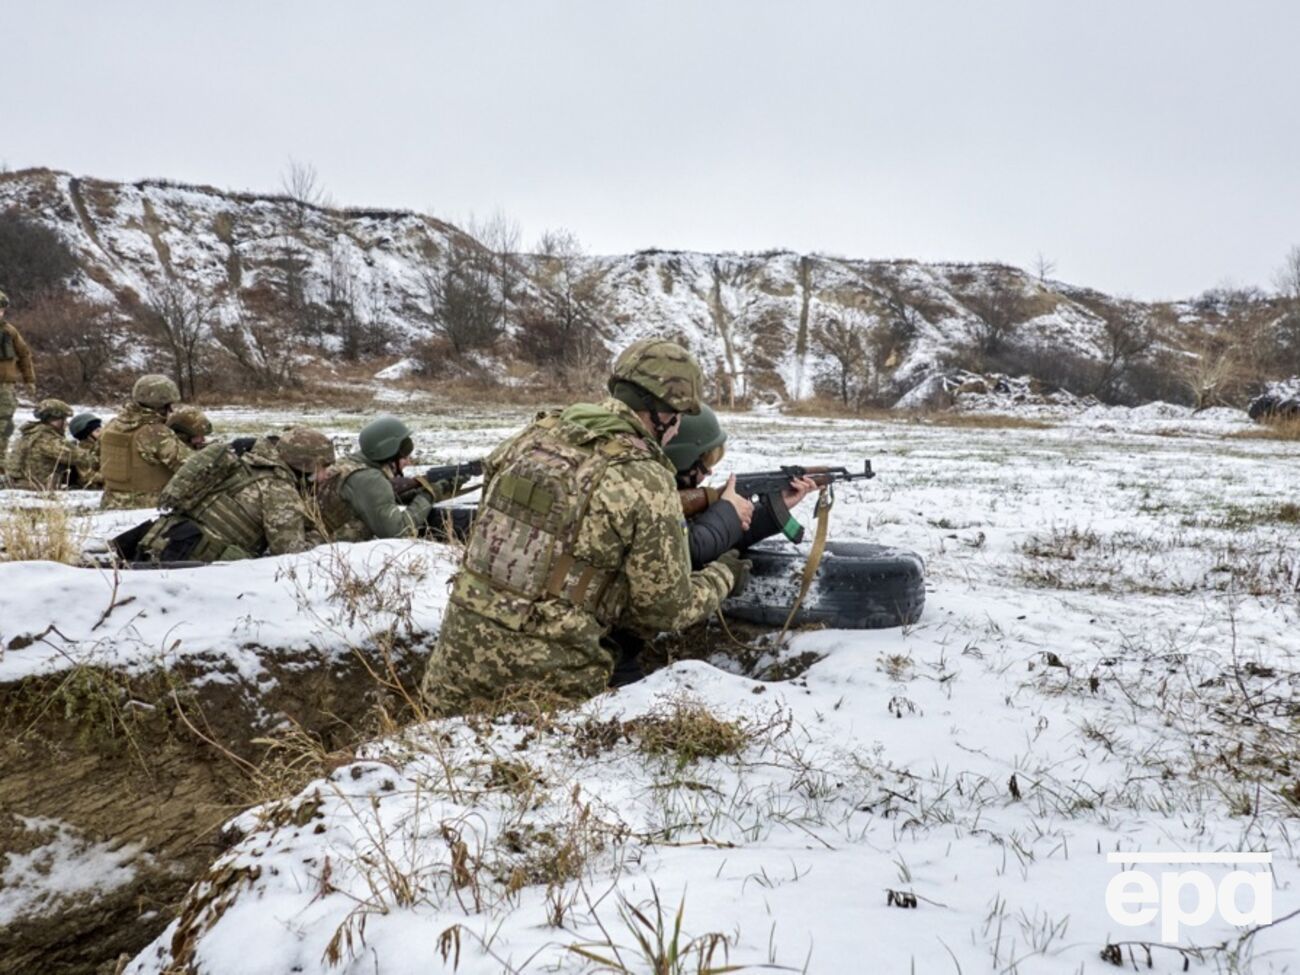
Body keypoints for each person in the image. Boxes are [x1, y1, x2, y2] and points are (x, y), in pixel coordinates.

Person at [420, 338, 748, 714]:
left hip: (451, 677)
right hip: (545, 698)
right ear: (666, 413)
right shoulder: (645, 477)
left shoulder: (534, 435)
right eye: (678, 418)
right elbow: (666, 611)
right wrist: (724, 576)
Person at [137, 427, 335, 562]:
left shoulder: (244, 461)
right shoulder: (279, 488)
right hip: (192, 563)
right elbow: (290, 553)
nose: (326, 475)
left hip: (162, 542)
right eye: (323, 467)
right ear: (305, 464)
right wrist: (323, 536)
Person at [665, 404, 818, 569]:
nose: (710, 471)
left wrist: (773, 509)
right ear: (683, 460)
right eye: (706, 464)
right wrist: (728, 509)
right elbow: (692, 549)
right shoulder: (658, 503)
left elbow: (722, 537)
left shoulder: (670, 496)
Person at [312, 415, 452, 540]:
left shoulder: (351, 463)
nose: (409, 461)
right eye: (404, 453)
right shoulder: (369, 479)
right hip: (323, 547)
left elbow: (382, 497)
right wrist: (429, 494)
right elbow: (398, 531)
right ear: (388, 452)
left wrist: (423, 489)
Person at [99, 374, 193, 509]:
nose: (171, 410)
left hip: (110, 503)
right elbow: (190, 468)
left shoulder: (112, 425)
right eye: (169, 405)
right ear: (162, 406)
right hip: (147, 506)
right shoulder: (154, 432)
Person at [3, 398, 96, 490]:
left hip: (19, 484)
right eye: (64, 419)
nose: (66, 424)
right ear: (57, 420)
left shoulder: (30, 434)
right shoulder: (48, 440)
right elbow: (84, 458)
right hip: (34, 487)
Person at [0, 289, 37, 477]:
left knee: (3, 425)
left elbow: (24, 355)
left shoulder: (10, 332)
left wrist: (29, 380)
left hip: (5, 387)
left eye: (1, 309)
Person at [69, 412, 105, 487]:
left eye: (101, 429)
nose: (102, 432)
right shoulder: (80, 452)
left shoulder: (101, 446)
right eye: (97, 431)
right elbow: (87, 476)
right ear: (86, 435)